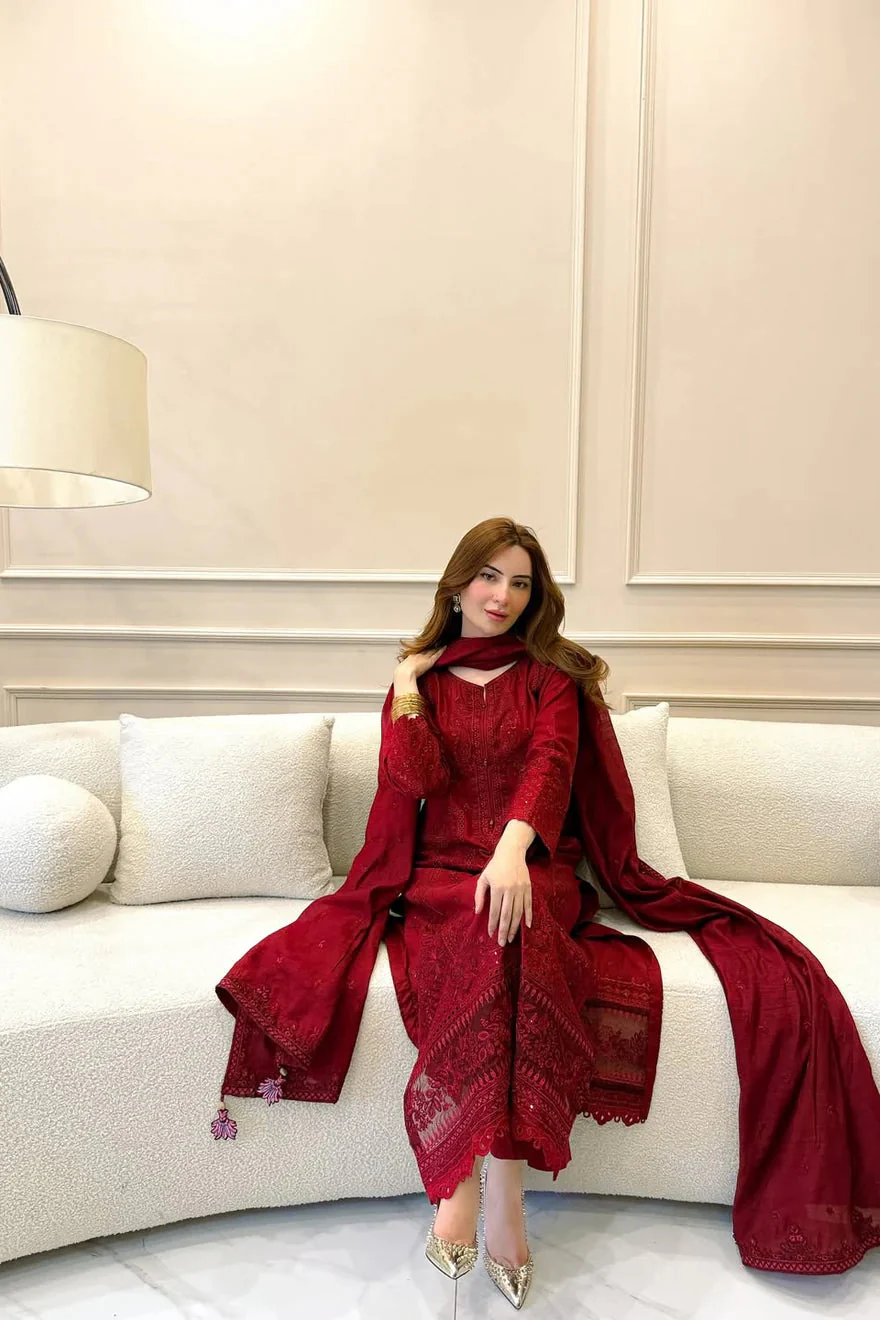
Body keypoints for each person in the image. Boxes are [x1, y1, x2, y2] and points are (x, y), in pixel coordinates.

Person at [214, 516, 880, 1307]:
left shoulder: (549, 677)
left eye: (520, 582)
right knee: (488, 929)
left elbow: (552, 764)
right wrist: (407, 687)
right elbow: (416, 780)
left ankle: (484, 1189)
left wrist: (512, 849)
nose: (502, 595)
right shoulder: (420, 682)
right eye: (489, 576)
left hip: (535, 867)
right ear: (457, 585)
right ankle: (486, 1189)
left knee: (515, 924)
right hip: (441, 876)